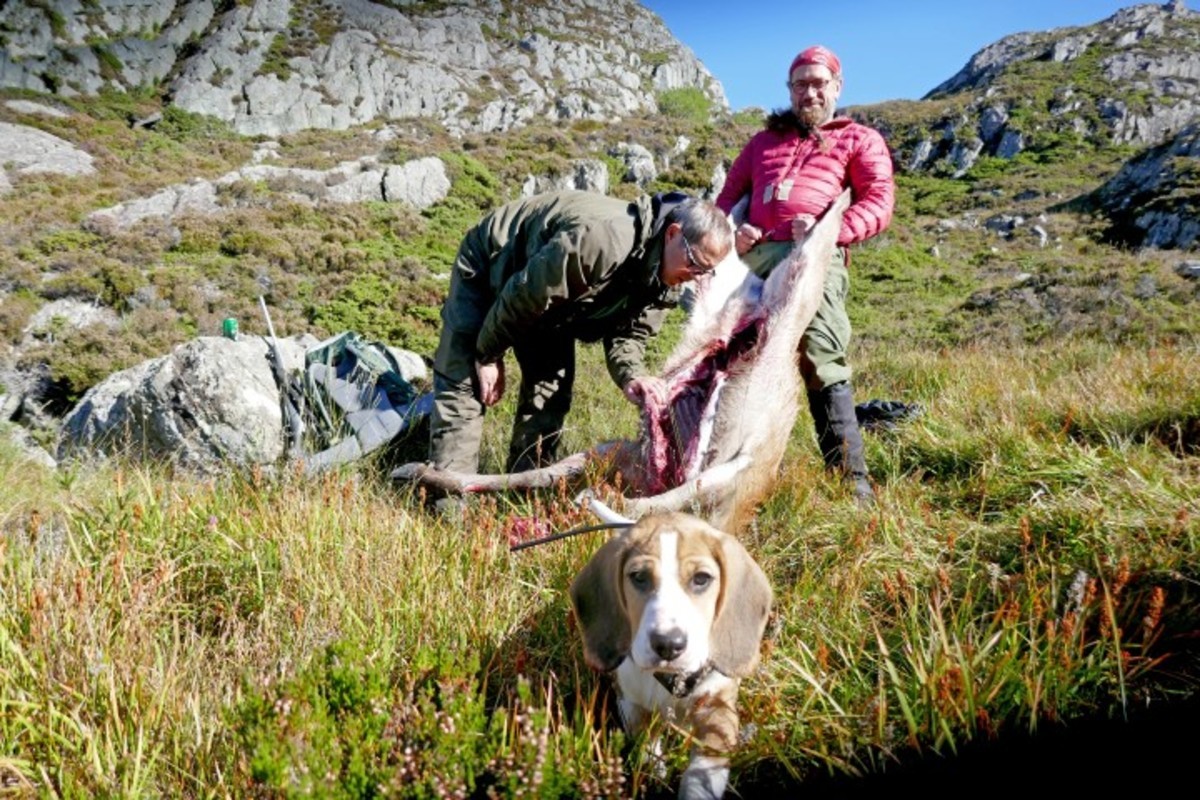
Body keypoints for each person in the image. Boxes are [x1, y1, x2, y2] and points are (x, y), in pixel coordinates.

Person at [429, 189, 734, 475]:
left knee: (549, 392)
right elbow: (526, 294)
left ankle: (521, 492)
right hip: (493, 261)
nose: (696, 278)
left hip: (554, 300)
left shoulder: (667, 279)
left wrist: (633, 376)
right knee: (465, 382)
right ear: (672, 235)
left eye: (707, 271)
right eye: (695, 264)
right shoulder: (603, 241)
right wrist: (488, 354)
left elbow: (629, 335)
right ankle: (448, 508)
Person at [715, 45, 895, 506]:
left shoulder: (859, 139)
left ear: (837, 87)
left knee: (820, 353)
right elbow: (724, 202)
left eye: (819, 83)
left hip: (813, 257)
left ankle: (852, 483)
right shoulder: (761, 144)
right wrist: (733, 236)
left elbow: (877, 201)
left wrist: (827, 232)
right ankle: (719, 476)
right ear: (789, 90)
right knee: (728, 357)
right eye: (801, 84)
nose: (810, 92)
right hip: (752, 264)